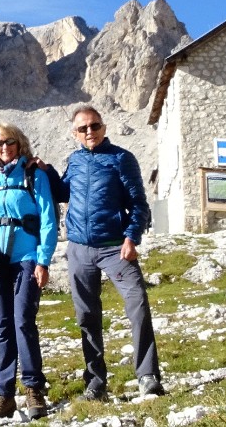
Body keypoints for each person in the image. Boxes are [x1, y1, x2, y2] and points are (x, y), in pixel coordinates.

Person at [43, 105, 164, 402]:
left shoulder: (122, 158)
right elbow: (63, 193)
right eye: (83, 128)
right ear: (75, 133)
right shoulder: (75, 160)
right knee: (86, 317)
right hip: (80, 249)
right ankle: (96, 383)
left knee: (137, 305)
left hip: (114, 247)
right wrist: (46, 171)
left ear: (104, 127)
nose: (89, 132)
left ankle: (147, 376)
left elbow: (139, 204)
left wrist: (131, 238)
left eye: (94, 126)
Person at [0, 123, 58, 420]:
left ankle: (33, 388)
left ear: (19, 144)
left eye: (9, 142)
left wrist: (44, 261)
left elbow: (48, 219)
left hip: (27, 257)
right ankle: (4, 395)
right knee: (3, 325)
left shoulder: (35, 176)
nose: (4, 147)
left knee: (23, 321)